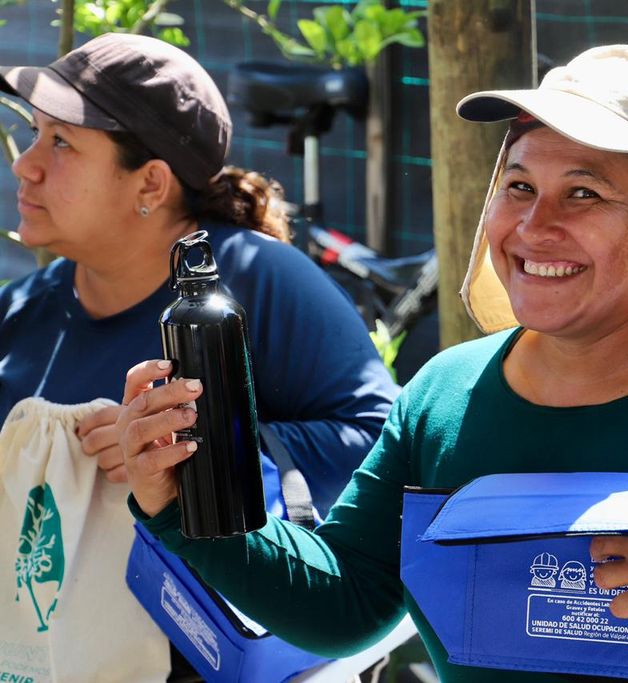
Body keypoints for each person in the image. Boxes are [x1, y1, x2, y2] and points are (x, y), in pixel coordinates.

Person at [118, 45, 628, 682]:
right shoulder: (443, 396)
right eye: (518, 186)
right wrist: (179, 504)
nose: (533, 226)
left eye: (583, 193)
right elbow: (346, 602)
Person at [0, 32, 398, 678]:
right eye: (36, 134)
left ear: (150, 183)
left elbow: (380, 446)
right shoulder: (20, 310)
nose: (26, 164)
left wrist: (194, 451)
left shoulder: (260, 282)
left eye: (62, 143)